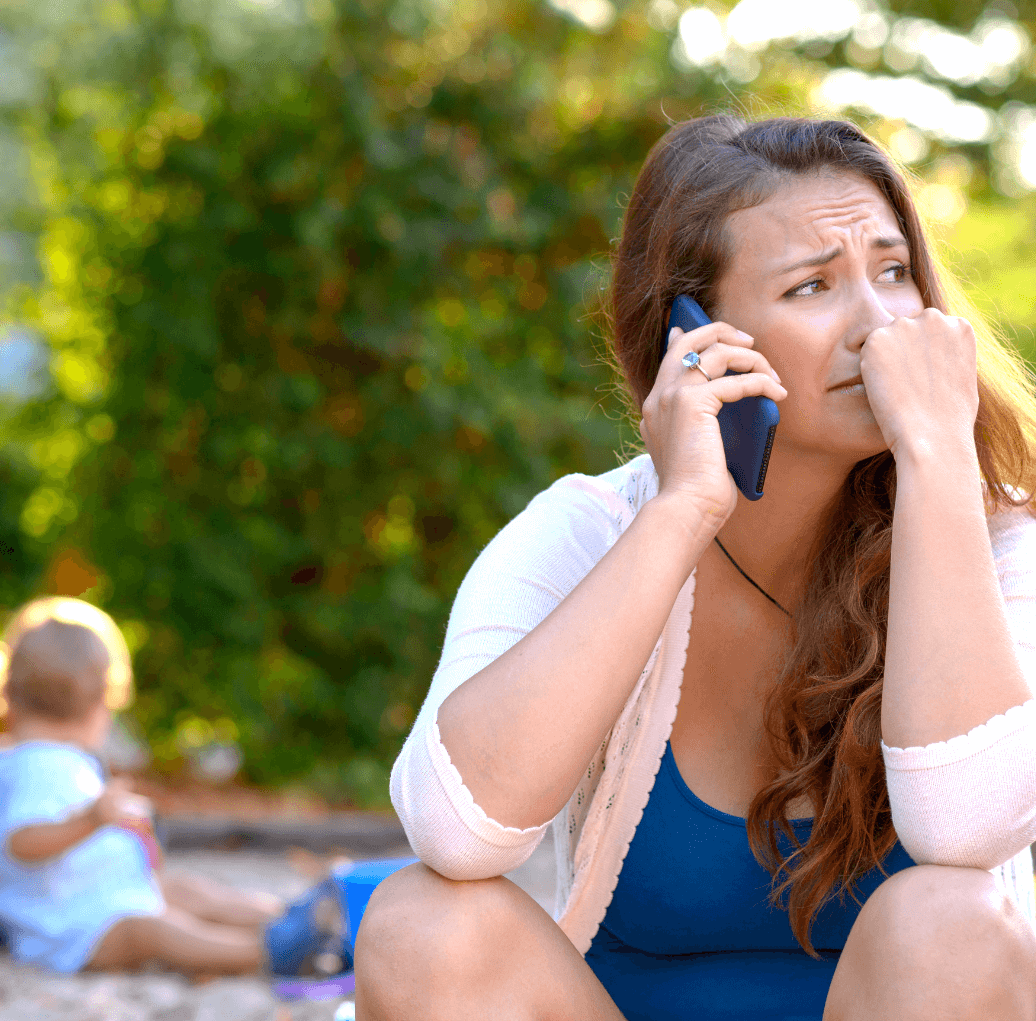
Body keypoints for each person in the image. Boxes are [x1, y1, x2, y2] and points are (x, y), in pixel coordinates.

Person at [353, 114, 1036, 1021]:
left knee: (949, 914)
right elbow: (453, 827)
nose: (881, 327)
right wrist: (681, 509)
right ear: (698, 338)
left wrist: (940, 459)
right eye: (812, 286)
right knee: (419, 922)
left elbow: (968, 823)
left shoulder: (995, 540)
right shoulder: (591, 531)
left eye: (894, 271)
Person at [0, 596, 344, 977]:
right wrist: (91, 819)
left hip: (99, 897)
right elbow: (20, 841)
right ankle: (267, 951)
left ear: (7, 693)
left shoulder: (13, 763)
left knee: (187, 891)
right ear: (101, 703)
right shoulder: (37, 766)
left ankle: (294, 920)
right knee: (153, 932)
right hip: (66, 928)